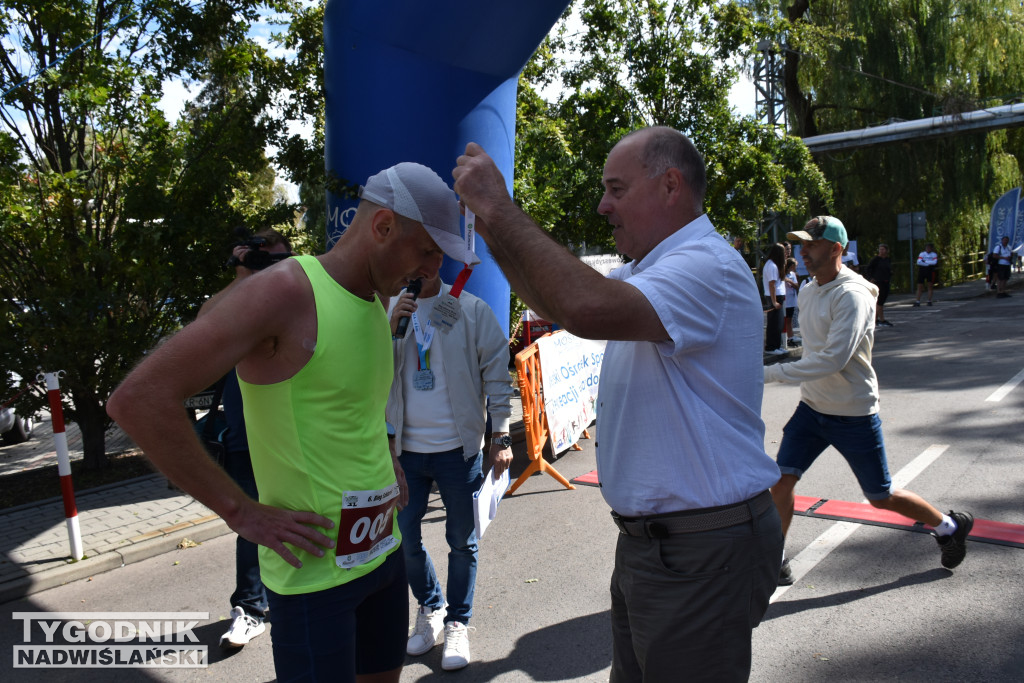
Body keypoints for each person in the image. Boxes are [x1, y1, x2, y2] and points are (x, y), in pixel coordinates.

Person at [107, 161, 479, 682]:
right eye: (426, 251)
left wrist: (387, 460)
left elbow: (353, 406)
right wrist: (241, 512)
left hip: (382, 556)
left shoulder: (378, 298)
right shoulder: (286, 291)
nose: (428, 269)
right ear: (383, 226)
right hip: (313, 582)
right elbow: (139, 400)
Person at [453, 126, 783, 683]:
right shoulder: (655, 266)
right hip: (663, 546)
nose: (603, 205)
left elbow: (582, 306)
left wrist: (502, 209)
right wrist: (490, 228)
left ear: (670, 185)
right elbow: (553, 300)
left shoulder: (707, 264)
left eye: (616, 189)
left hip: (697, 550)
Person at [764, 216, 973, 586]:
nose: (803, 252)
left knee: (880, 496)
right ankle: (776, 558)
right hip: (812, 409)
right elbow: (813, 354)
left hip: (853, 414)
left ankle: (949, 527)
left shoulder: (853, 296)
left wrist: (767, 373)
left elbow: (832, 359)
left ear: (836, 249)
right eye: (801, 244)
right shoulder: (811, 290)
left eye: (811, 245)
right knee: (780, 483)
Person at [386, 272, 514, 671]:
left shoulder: (470, 308)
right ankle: (431, 606)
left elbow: (496, 372)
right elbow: (366, 374)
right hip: (405, 451)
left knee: (462, 541)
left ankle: (458, 621)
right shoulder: (389, 310)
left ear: (440, 256)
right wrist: (386, 333)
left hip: (460, 451)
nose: (421, 262)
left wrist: (502, 435)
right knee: (403, 539)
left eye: (431, 251)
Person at [196, 228, 293, 649]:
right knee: (252, 525)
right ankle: (250, 608)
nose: (272, 268)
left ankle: (288, 599)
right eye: (264, 259)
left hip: (292, 435)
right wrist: (241, 275)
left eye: (280, 259)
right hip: (243, 435)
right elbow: (203, 322)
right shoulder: (236, 301)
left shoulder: (296, 297)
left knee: (297, 515)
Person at [762, 242, 788, 355]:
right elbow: (771, 284)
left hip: (778, 296)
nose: (786, 254)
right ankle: (771, 347)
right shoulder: (771, 265)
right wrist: (774, 301)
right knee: (774, 323)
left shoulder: (775, 264)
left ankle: (777, 345)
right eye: (784, 252)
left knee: (779, 323)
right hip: (774, 297)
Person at [863, 243, 893, 327]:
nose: (881, 251)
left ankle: (876, 319)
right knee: (879, 302)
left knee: (881, 302)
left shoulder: (888, 259)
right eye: (880, 249)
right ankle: (881, 319)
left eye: (883, 249)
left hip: (885, 281)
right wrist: (871, 278)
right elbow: (868, 269)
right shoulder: (876, 259)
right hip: (877, 282)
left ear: (887, 250)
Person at [784, 257, 801, 347]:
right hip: (785, 300)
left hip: (791, 300)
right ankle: (787, 337)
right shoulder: (783, 274)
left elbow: (796, 286)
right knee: (786, 320)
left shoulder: (792, 275)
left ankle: (790, 337)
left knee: (789, 320)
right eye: (795, 266)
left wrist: (790, 281)